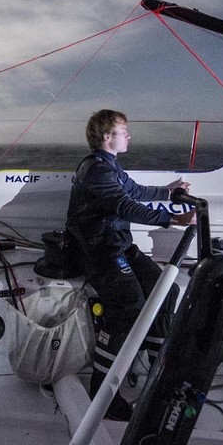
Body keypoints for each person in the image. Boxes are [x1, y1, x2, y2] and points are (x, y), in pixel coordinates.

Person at [65, 109, 193, 420]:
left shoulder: (111, 168)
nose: (129, 136)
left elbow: (133, 191)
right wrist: (172, 219)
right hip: (98, 250)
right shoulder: (95, 170)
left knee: (167, 291)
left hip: (119, 244)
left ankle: (157, 370)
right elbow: (125, 205)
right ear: (107, 137)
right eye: (124, 131)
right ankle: (102, 392)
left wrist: (168, 192)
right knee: (128, 302)